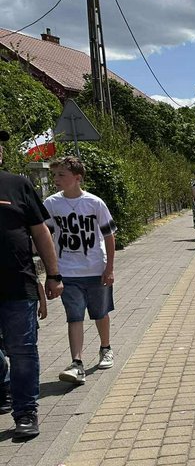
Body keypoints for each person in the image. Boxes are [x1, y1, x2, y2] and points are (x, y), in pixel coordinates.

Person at [0, 129, 63, 439]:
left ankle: (26, 412)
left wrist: (53, 275)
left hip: (18, 284)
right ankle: (4, 385)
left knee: (22, 350)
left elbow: (41, 233)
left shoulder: (18, 185)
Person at [43, 156, 117, 387]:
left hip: (95, 268)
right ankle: (77, 363)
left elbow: (109, 236)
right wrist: (51, 272)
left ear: (77, 178)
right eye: (54, 175)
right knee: (74, 316)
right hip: (67, 271)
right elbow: (45, 236)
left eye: (61, 175)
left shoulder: (94, 203)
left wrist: (109, 268)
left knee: (100, 312)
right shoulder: (51, 204)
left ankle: (105, 348)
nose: (56, 179)